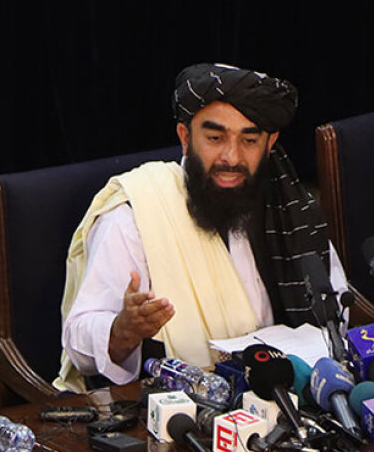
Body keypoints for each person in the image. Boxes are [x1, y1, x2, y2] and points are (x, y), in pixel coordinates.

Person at [55, 63, 346, 392]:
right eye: (215, 138)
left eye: (249, 140)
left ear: (270, 143)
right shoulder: (137, 213)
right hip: (177, 406)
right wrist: (122, 331)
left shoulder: (291, 212)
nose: (231, 157)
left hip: (286, 393)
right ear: (185, 137)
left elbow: (334, 309)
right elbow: (80, 341)